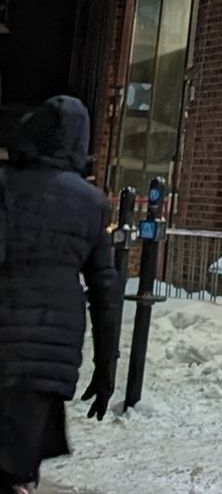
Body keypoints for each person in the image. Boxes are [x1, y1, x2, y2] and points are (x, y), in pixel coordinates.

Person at [0, 96, 121, 493]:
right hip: (49, 353)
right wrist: (106, 368)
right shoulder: (91, 204)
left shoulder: (6, 187)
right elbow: (105, 290)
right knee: (19, 460)